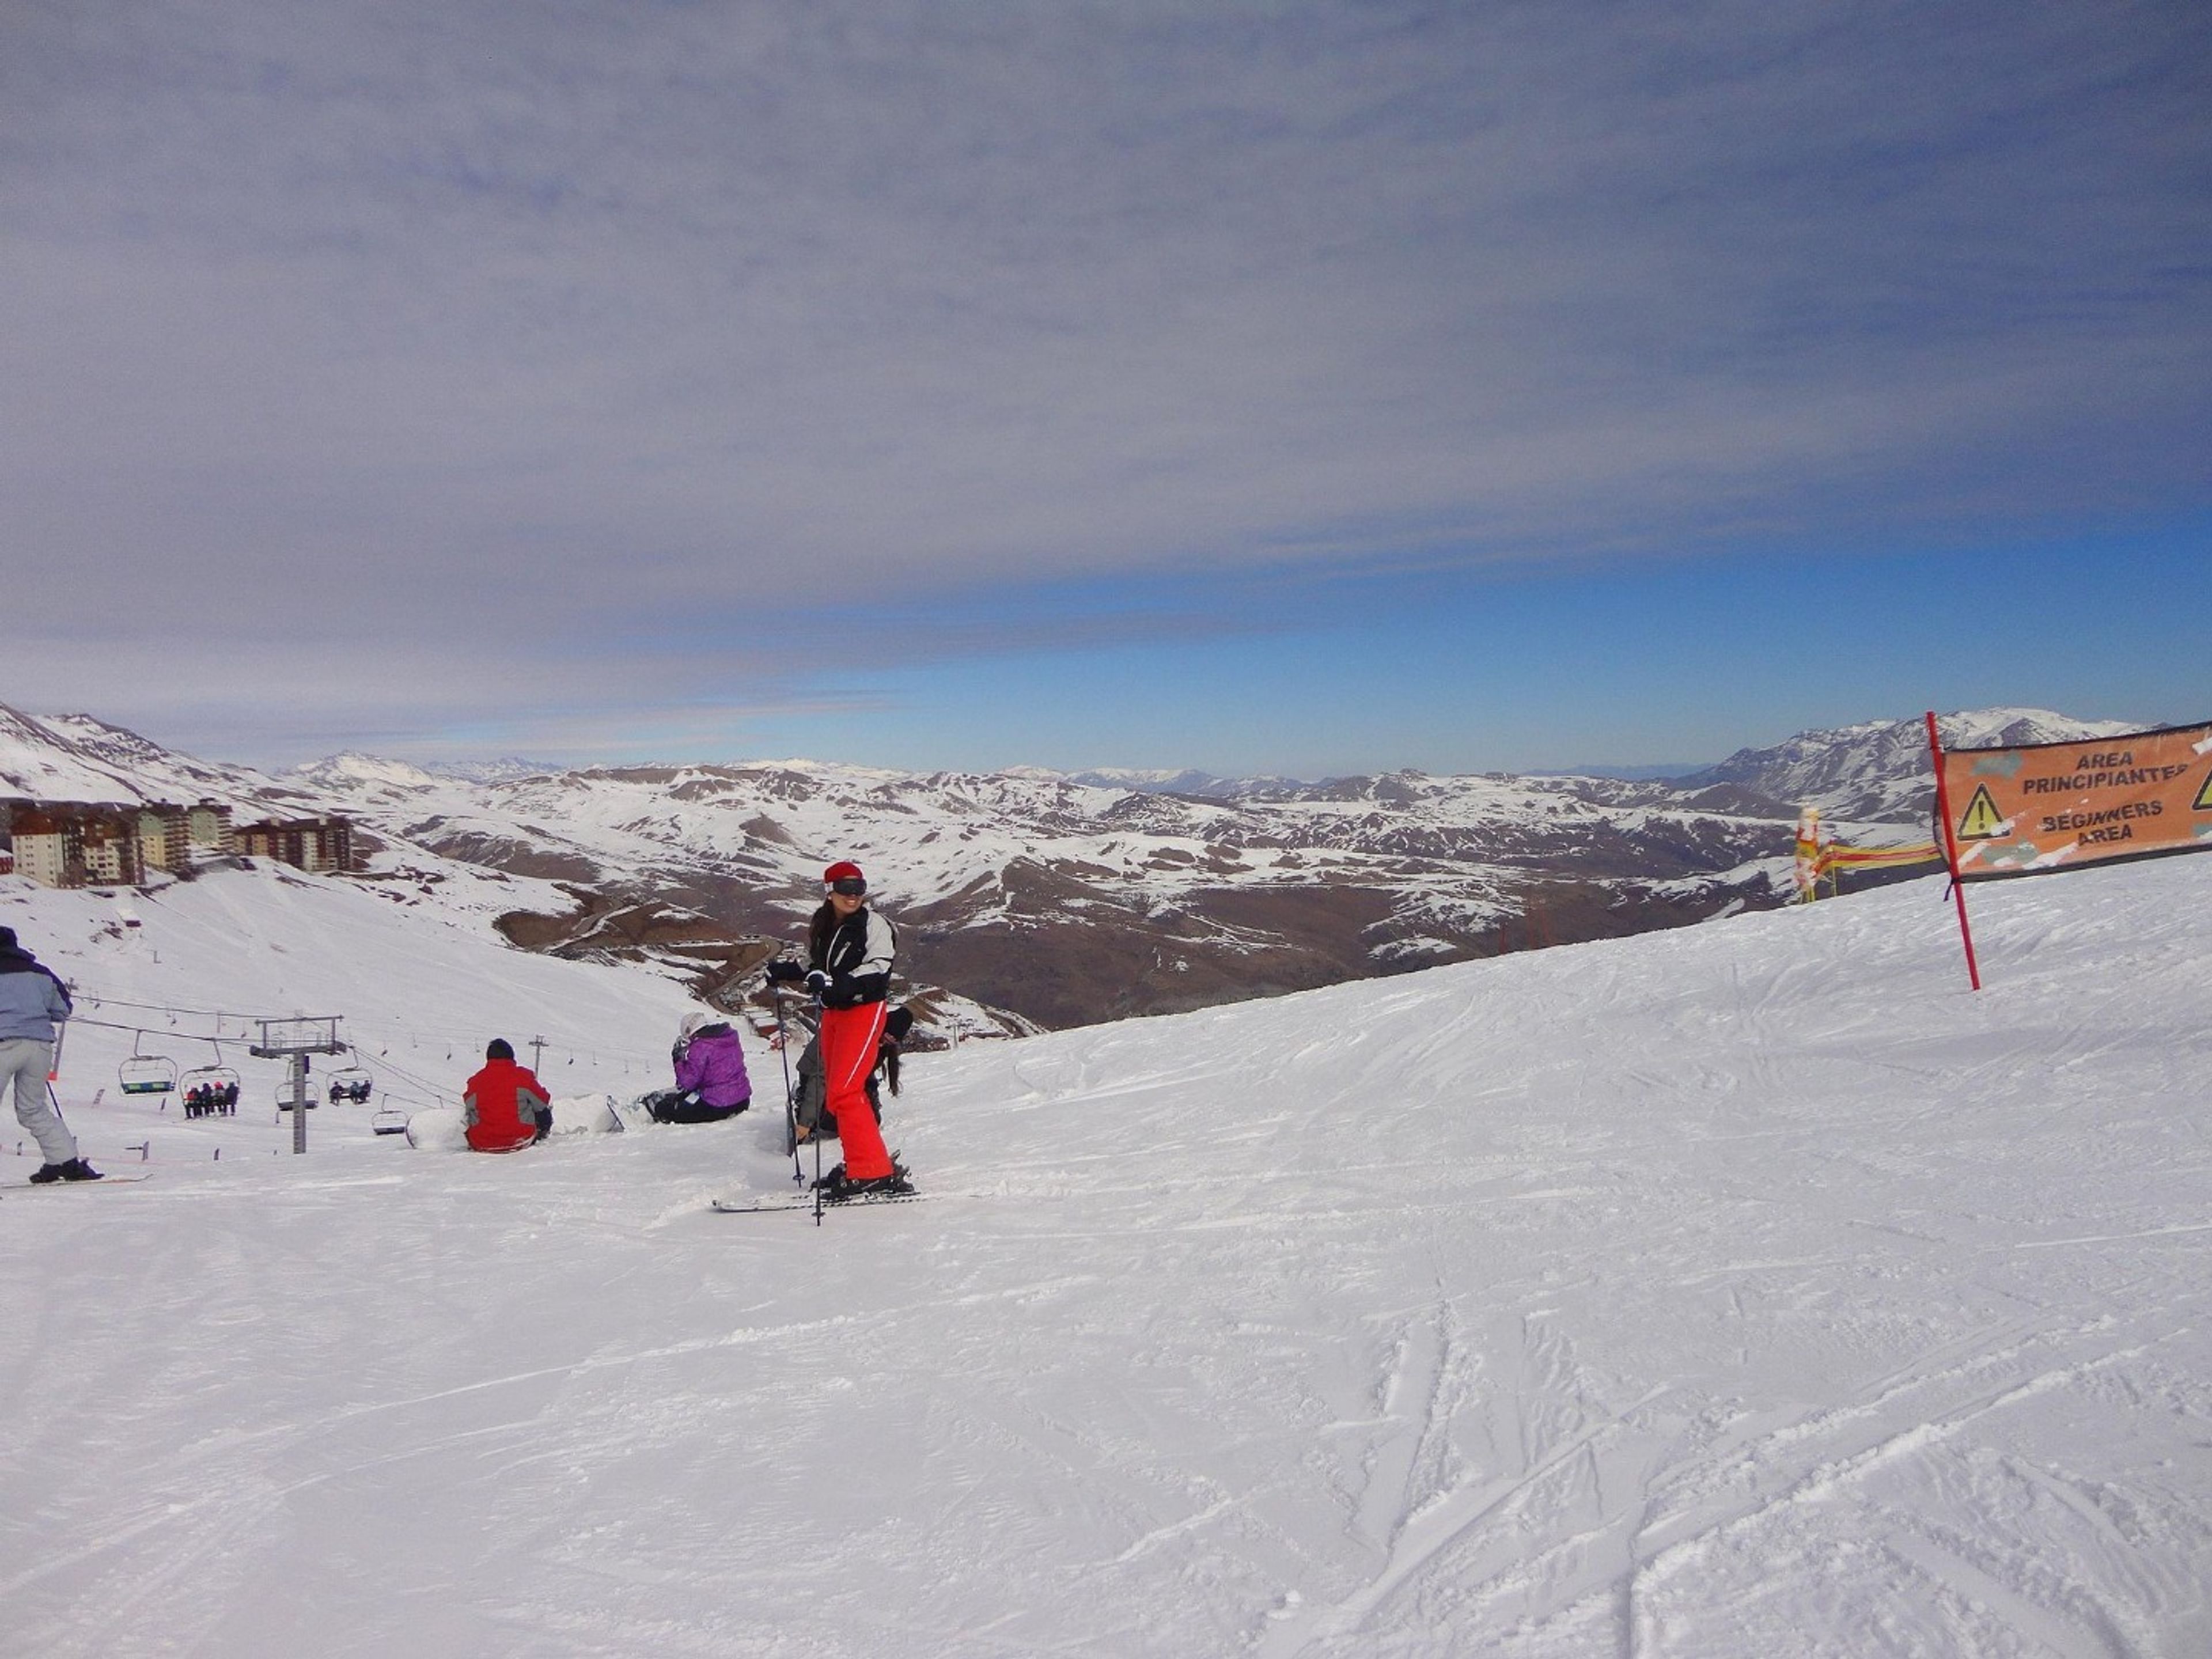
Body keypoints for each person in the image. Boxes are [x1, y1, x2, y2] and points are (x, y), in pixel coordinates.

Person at [765, 861, 912, 1198]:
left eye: (859, 888)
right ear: (829, 890)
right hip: (834, 1013)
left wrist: (836, 982)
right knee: (836, 1094)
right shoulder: (825, 923)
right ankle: (860, 1163)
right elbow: (813, 963)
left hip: (863, 1011)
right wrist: (784, 971)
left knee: (846, 1091)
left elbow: (879, 968)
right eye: (846, 888)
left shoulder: (874, 924)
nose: (853, 895)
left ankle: (871, 1171)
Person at [0, 926, 100, 1183]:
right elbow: (62, 1010)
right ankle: (66, 1162)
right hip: (39, 1047)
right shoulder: (41, 973)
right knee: (33, 1108)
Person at [646, 1010, 753, 1123]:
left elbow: (688, 1083)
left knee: (664, 1109)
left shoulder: (701, 1046)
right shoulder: (729, 1038)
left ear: (689, 1031)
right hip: (742, 1101)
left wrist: (678, 1060)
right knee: (689, 1097)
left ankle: (657, 1111)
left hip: (719, 1106)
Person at [461, 1038, 552, 1152]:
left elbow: (468, 1106)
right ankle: (541, 1135)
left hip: (482, 1142)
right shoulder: (523, 1077)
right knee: (542, 1110)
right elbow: (543, 1101)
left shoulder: (476, 1081)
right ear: (512, 1057)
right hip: (521, 1138)